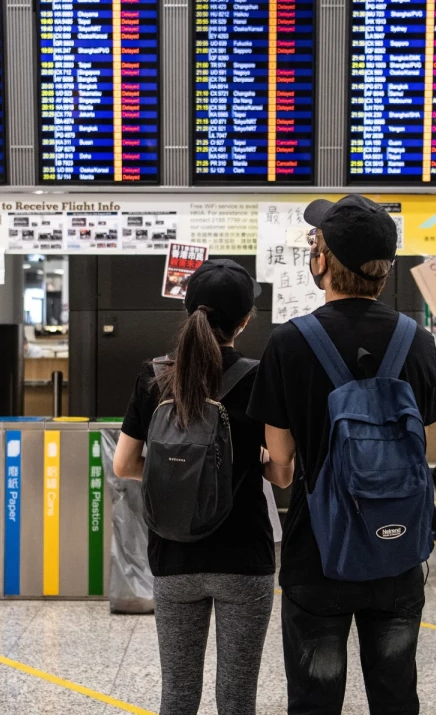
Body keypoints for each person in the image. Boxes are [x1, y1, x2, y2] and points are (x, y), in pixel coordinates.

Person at [248, 194, 436, 715]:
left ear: (322, 261)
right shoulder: (418, 341)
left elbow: (282, 464)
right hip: (398, 546)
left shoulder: (290, 343)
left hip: (319, 551)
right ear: (385, 267)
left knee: (315, 697)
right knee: (395, 694)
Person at [113, 259, 275, 715]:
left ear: (188, 311)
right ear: (245, 320)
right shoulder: (259, 378)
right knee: (237, 698)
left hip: (174, 554)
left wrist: (179, 473)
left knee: (179, 695)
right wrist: (250, 464)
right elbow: (282, 474)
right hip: (244, 557)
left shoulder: (155, 375)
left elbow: (124, 464)